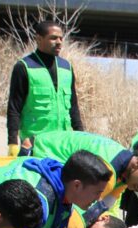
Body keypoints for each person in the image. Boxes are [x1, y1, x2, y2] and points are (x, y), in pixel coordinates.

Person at [6, 20, 83, 157]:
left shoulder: (66, 67)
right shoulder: (24, 67)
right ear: (39, 39)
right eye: (53, 38)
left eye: (60, 38)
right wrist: (12, 142)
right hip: (35, 143)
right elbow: (14, 107)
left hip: (62, 142)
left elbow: (73, 106)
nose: (59, 42)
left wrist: (81, 135)